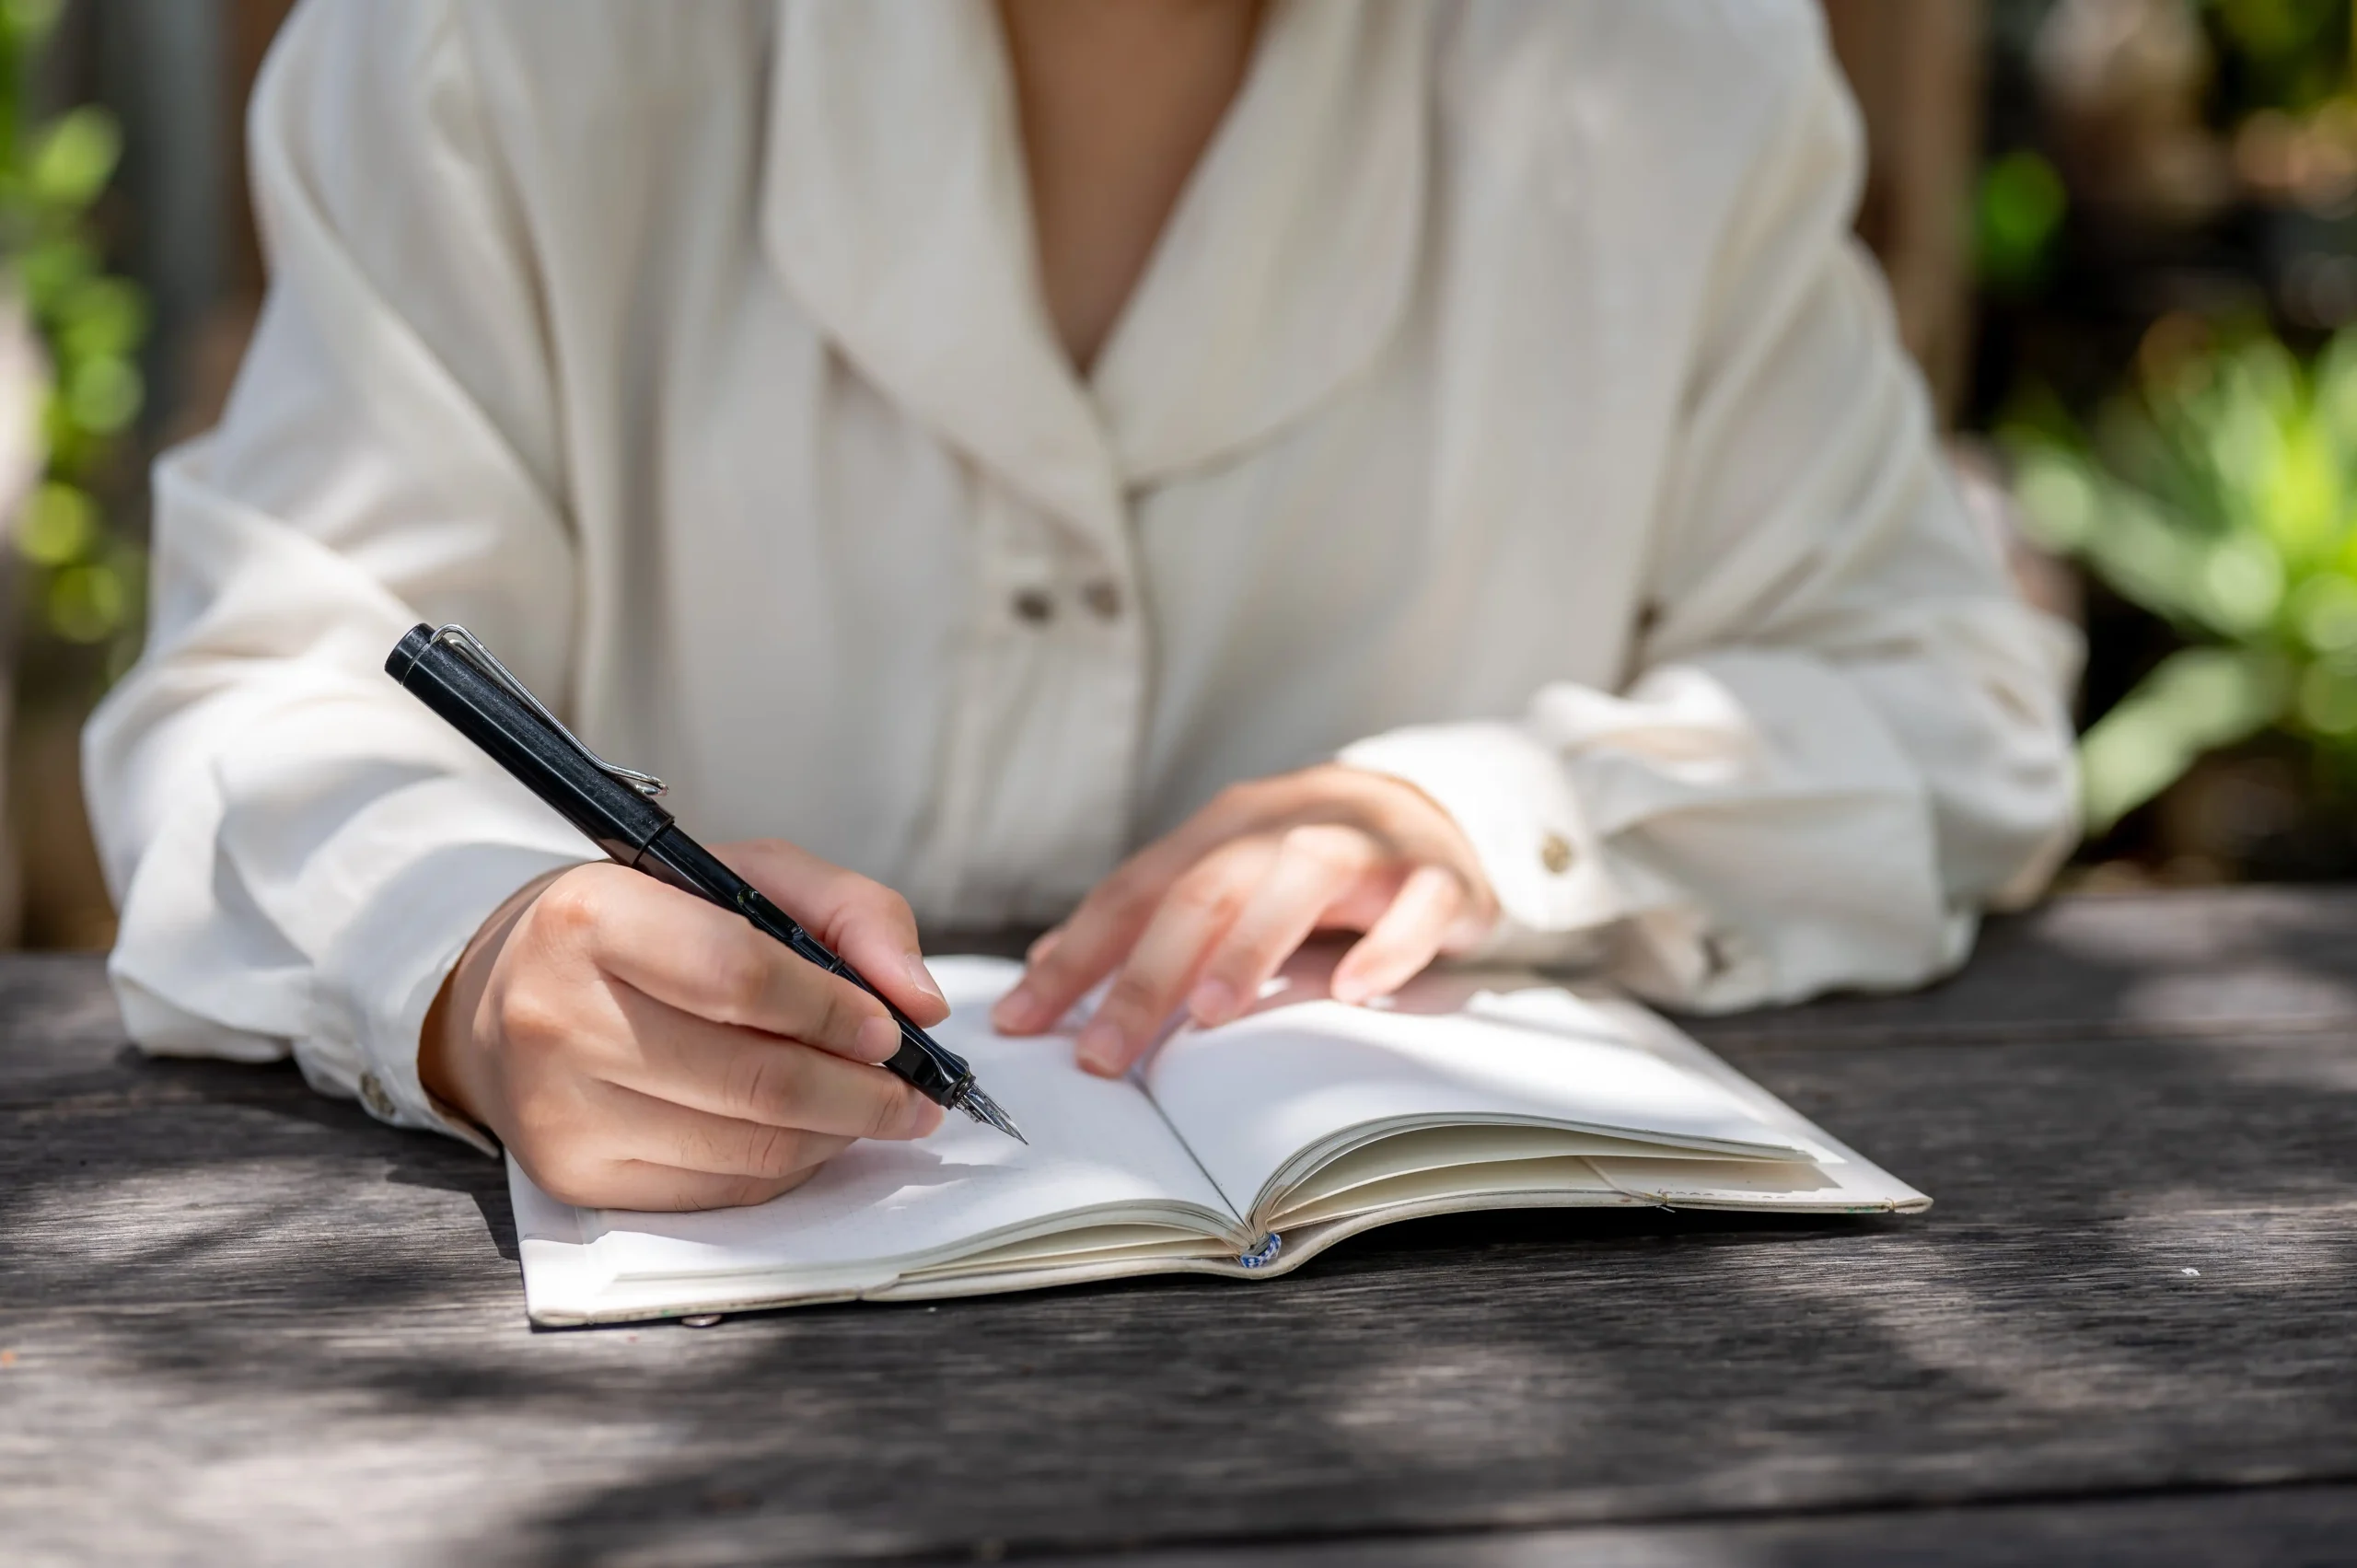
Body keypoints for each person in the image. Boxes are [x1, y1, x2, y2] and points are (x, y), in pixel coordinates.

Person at [84, 0, 2079, 1213]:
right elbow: (263, 699)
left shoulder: (1667, 74)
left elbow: (1936, 693)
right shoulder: (495, 48)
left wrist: (1489, 817)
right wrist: (477, 941)